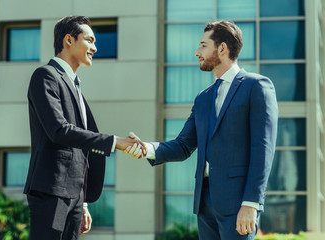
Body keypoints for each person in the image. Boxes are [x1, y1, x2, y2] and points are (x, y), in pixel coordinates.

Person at [125, 20, 278, 240]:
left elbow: (263, 149)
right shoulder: (203, 98)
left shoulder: (257, 86)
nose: (197, 51)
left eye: (203, 45)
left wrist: (251, 204)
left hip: (238, 204)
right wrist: (146, 148)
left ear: (222, 48)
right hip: (205, 204)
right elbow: (183, 145)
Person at [24, 16, 145, 240]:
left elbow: (81, 148)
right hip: (51, 191)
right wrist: (114, 141)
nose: (95, 47)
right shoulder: (45, 76)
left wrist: (84, 201)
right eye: (89, 40)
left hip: (75, 196)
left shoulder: (75, 85)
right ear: (68, 40)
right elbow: (59, 130)